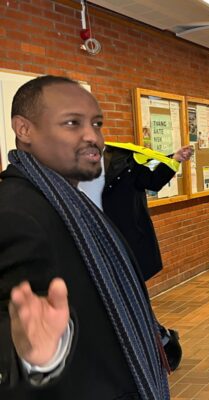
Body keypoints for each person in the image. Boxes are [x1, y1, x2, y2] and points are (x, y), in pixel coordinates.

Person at [0, 75, 170, 399]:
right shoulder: (16, 214)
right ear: (24, 130)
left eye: (97, 123)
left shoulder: (71, 203)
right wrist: (36, 359)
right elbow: (20, 337)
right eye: (72, 123)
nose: (93, 137)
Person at [79, 140, 194, 371]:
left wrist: (174, 159)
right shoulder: (70, 168)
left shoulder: (126, 158)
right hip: (95, 242)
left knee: (129, 297)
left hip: (127, 241)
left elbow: (151, 181)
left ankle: (161, 343)